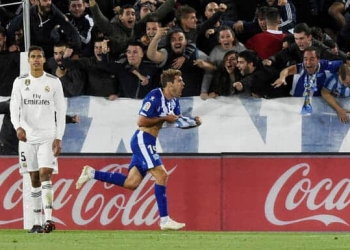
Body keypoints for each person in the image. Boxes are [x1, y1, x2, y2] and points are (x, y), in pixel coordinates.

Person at [75, 69, 202, 230]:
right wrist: (163, 118)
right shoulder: (154, 96)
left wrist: (193, 122)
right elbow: (141, 121)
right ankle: (164, 221)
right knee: (162, 175)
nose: (183, 84)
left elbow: (177, 121)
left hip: (149, 142)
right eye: (180, 81)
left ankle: (91, 173)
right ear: (170, 84)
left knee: (132, 182)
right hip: (143, 140)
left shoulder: (174, 101)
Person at [10, 45, 66, 233]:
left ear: (43, 60)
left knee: (45, 174)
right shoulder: (19, 82)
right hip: (27, 138)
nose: (35, 59)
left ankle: (49, 220)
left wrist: (58, 137)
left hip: (47, 136)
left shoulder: (53, 82)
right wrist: (18, 127)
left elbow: (61, 111)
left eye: (39, 56)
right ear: (28, 60)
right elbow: (14, 108)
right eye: (32, 56)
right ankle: (36, 221)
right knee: (34, 178)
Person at [272, 46, 344, 97]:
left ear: (318, 60)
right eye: (305, 59)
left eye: (312, 59)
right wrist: (282, 78)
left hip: (316, 103)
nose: (308, 63)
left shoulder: (327, 66)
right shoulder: (301, 67)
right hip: (296, 101)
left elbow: (344, 64)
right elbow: (287, 70)